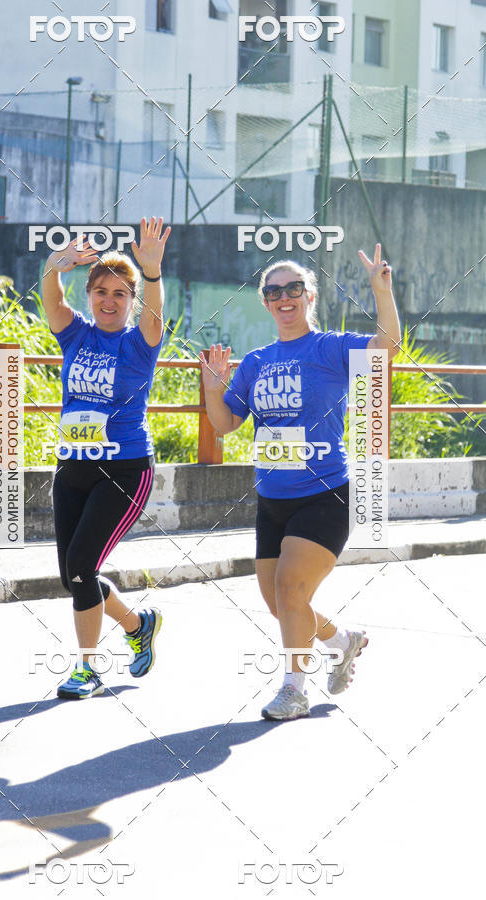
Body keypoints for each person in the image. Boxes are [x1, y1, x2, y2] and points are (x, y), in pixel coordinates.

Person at [200, 245, 400, 721]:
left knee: (292, 589)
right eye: (274, 291)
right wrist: (213, 385)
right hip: (272, 500)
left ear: (309, 296)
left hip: (325, 494)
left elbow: (387, 345)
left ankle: (294, 689)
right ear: (266, 302)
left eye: (293, 289)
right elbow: (226, 424)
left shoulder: (330, 348)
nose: (284, 297)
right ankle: (342, 640)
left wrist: (381, 291)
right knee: (282, 603)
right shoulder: (255, 362)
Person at [42, 217, 171, 700]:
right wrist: (54, 264)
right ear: (91, 295)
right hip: (72, 466)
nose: (109, 301)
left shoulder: (138, 344)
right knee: (75, 575)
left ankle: (87, 669)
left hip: (124, 470)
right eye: (101, 292)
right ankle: (139, 624)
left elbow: (155, 315)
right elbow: (52, 298)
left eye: (120, 294)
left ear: (131, 301)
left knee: (82, 561)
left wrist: (152, 273)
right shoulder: (76, 336)